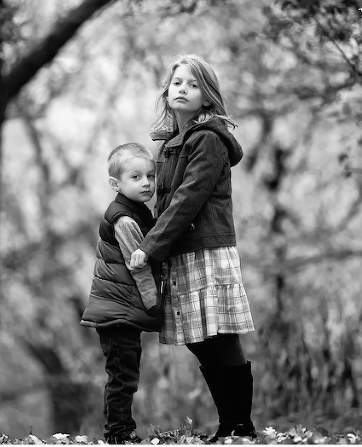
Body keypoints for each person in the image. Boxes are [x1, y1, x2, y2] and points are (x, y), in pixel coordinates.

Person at [130, 54, 257, 442]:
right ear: (167, 92)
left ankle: (242, 428)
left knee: (220, 336)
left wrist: (150, 248)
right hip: (181, 253)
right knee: (199, 339)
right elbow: (162, 203)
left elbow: (187, 200)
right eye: (177, 83)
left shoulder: (207, 140)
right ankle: (229, 424)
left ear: (207, 98)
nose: (182, 89)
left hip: (208, 249)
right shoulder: (169, 145)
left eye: (193, 84)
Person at [81, 142, 164, 444]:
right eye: (136, 177)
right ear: (116, 184)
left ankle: (122, 431)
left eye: (151, 177)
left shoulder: (136, 211)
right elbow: (137, 266)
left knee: (126, 375)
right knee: (122, 378)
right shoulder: (125, 219)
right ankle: (118, 434)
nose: (146, 183)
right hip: (116, 313)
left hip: (121, 310)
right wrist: (153, 302)